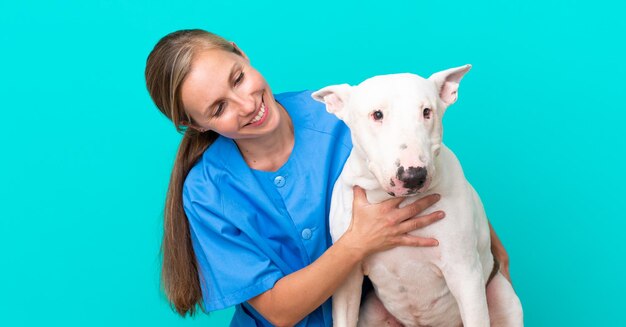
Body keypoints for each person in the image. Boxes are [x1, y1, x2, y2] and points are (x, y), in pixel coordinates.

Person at [144, 29, 510, 327]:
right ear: (193, 125)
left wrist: (488, 248)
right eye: (219, 107)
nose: (246, 104)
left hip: (383, 312)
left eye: (238, 78)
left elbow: (433, 166)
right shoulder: (207, 192)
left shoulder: (342, 118)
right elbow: (278, 312)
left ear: (241, 53)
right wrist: (358, 243)